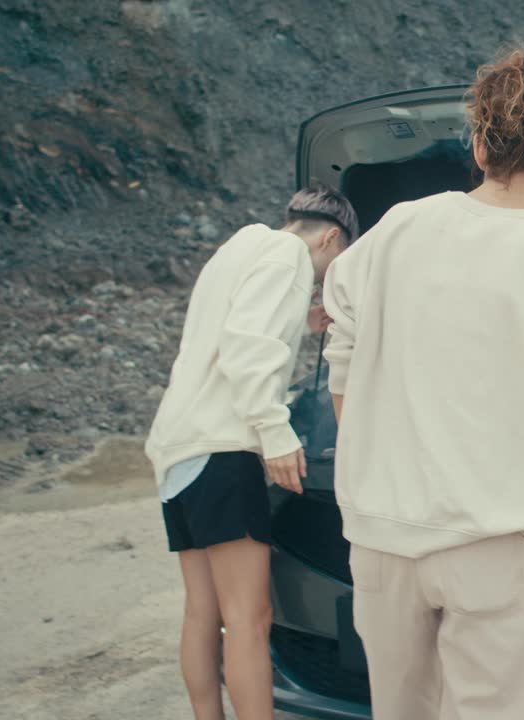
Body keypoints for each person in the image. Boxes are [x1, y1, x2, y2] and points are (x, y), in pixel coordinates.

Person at [322, 27, 524, 720]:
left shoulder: (399, 230)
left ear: (478, 145)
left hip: (380, 542)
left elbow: (341, 340)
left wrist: (371, 443)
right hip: (490, 550)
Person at [145, 185, 359, 720]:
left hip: (179, 452)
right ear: (331, 238)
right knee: (249, 617)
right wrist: (276, 432)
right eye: (336, 264)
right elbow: (249, 345)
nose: (329, 277)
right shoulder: (289, 257)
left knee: (203, 612)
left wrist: (304, 321)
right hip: (222, 449)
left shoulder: (241, 248)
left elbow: (232, 329)